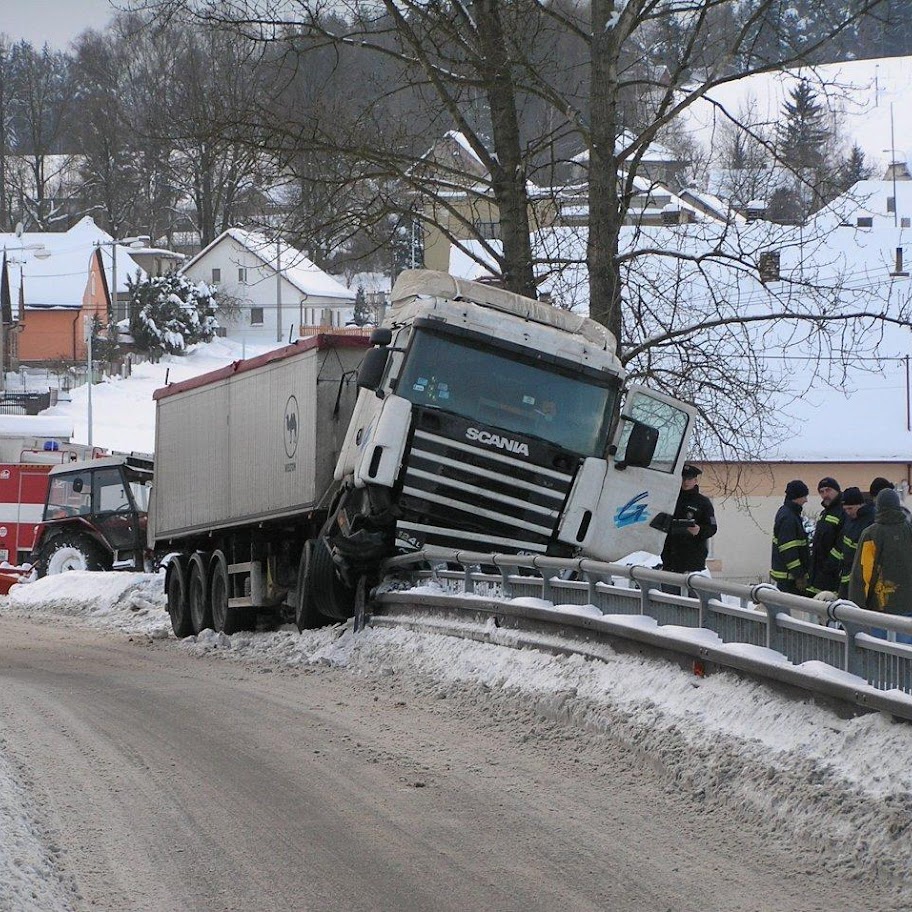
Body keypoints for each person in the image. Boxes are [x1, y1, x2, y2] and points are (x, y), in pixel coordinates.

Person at [848, 488, 912, 644]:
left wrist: (856, 607)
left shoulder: (871, 534)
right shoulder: (909, 531)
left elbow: (863, 575)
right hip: (908, 607)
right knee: (904, 655)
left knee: (880, 655)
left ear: (878, 507)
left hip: (879, 608)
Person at [660, 464, 717, 593]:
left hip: (693, 562)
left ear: (695, 481)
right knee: (668, 600)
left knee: (693, 604)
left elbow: (712, 527)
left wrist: (699, 530)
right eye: (683, 478)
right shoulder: (670, 499)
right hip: (670, 560)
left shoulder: (703, 502)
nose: (686, 482)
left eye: (689, 479)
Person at [771, 480, 810, 595]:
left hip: (788, 576)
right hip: (789, 579)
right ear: (797, 497)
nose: (806, 500)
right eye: (804, 496)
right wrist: (799, 575)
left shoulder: (789, 513)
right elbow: (789, 549)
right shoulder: (789, 517)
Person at [807, 477, 845, 596]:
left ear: (837, 491)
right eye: (821, 492)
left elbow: (841, 544)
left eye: (828, 490)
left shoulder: (843, 512)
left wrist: (829, 566)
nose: (825, 495)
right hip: (818, 572)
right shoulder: (824, 513)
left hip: (832, 574)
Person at [838, 486, 875, 598]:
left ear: (860, 505)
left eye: (850, 508)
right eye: (845, 509)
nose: (848, 512)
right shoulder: (851, 520)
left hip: (862, 578)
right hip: (847, 575)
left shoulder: (871, 520)